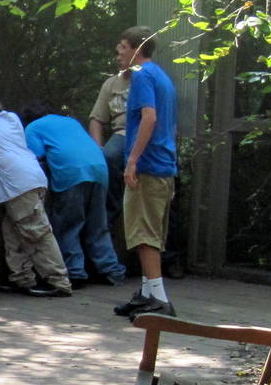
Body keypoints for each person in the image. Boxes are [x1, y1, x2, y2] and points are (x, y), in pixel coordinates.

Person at [0, 91, 72, 297]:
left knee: (37, 232)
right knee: (12, 230)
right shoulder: (12, 117)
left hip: (16, 182)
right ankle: (21, 278)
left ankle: (59, 281)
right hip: (33, 173)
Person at [111, 25, 179, 320]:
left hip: (148, 166)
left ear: (137, 49)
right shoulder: (162, 77)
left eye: (122, 48)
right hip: (164, 164)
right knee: (148, 231)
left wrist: (132, 160)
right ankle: (147, 294)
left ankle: (159, 300)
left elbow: (148, 118)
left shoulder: (141, 76)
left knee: (144, 233)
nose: (118, 54)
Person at [20, 103, 127, 288]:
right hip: (99, 169)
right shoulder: (70, 121)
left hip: (71, 174)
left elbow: (35, 156)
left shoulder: (33, 127)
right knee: (97, 225)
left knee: (69, 225)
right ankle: (112, 271)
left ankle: (76, 272)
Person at [87, 39, 134, 226]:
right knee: (106, 156)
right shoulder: (111, 84)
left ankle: (111, 212)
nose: (118, 57)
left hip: (138, 131)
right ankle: (107, 216)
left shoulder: (145, 79)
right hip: (121, 132)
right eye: (117, 54)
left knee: (111, 155)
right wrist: (97, 147)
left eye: (122, 52)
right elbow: (96, 119)